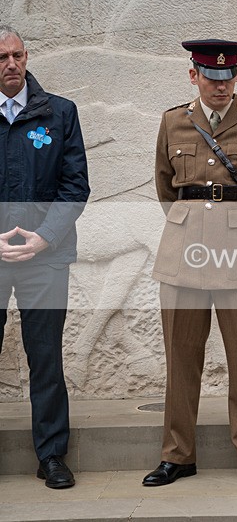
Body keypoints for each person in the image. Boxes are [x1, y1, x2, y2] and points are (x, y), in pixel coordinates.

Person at [143, 38, 237, 488]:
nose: (221, 86)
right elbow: (167, 190)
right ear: (194, 76)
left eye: (228, 77)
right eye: (211, 77)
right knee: (180, 358)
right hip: (184, 252)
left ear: (236, 77)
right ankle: (177, 454)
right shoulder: (173, 123)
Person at [0, 25, 90, 489]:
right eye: (1, 57)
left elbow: (75, 188)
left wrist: (43, 239)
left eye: (17, 55)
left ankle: (52, 456)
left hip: (44, 260)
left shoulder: (59, 114)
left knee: (46, 359)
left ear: (27, 56)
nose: (11, 64)